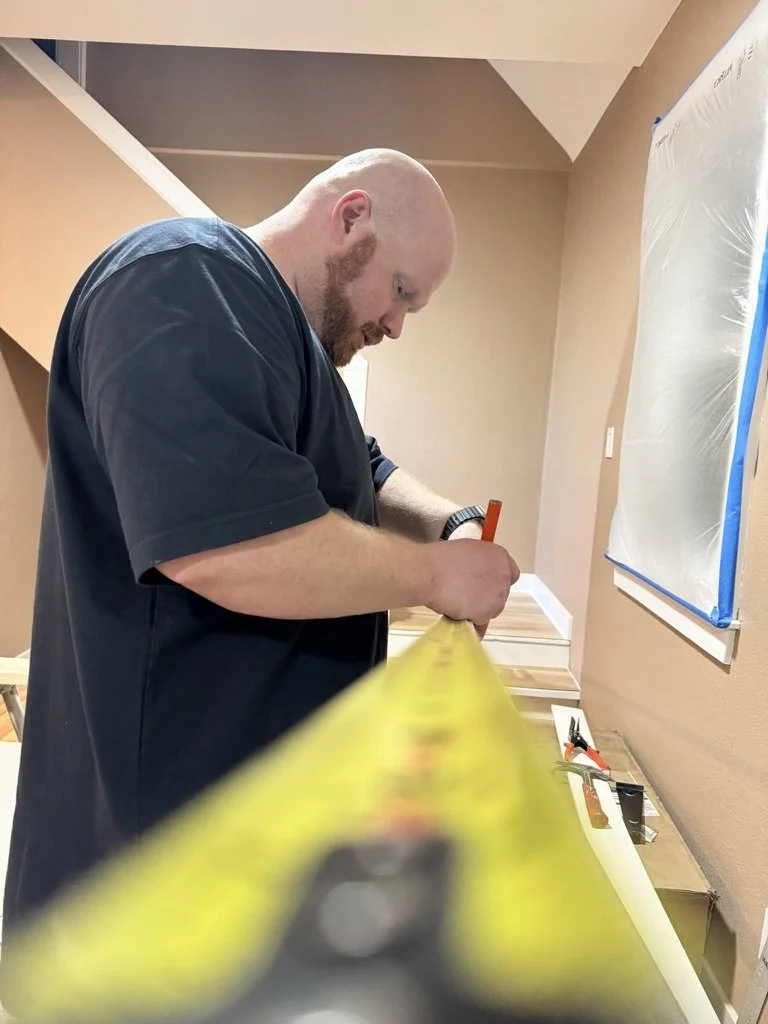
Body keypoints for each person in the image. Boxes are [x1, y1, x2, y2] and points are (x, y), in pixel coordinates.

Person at [2, 149, 518, 936]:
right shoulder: (183, 282)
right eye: (401, 290)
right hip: (157, 864)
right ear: (350, 218)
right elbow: (230, 548)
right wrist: (436, 576)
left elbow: (362, 469)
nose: (397, 324)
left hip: (239, 843)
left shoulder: (284, 341)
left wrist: (450, 525)